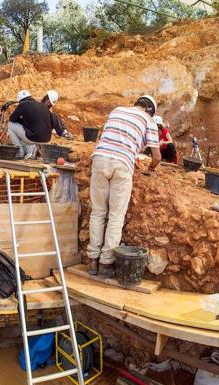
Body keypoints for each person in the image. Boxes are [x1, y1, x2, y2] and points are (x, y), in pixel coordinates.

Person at [88, 95, 161, 278]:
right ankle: (106, 264)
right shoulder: (149, 120)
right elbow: (157, 157)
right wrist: (150, 168)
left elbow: (111, 137)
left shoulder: (117, 110)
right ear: (150, 110)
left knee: (97, 212)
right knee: (115, 216)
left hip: (100, 159)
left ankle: (92, 261)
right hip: (122, 165)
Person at [7, 89, 54, 159]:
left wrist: (21, 120)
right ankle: (31, 149)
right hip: (47, 140)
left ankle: (20, 152)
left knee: (10, 125)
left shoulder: (23, 104)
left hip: (34, 138)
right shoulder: (43, 106)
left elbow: (12, 119)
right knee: (25, 130)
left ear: (20, 100)